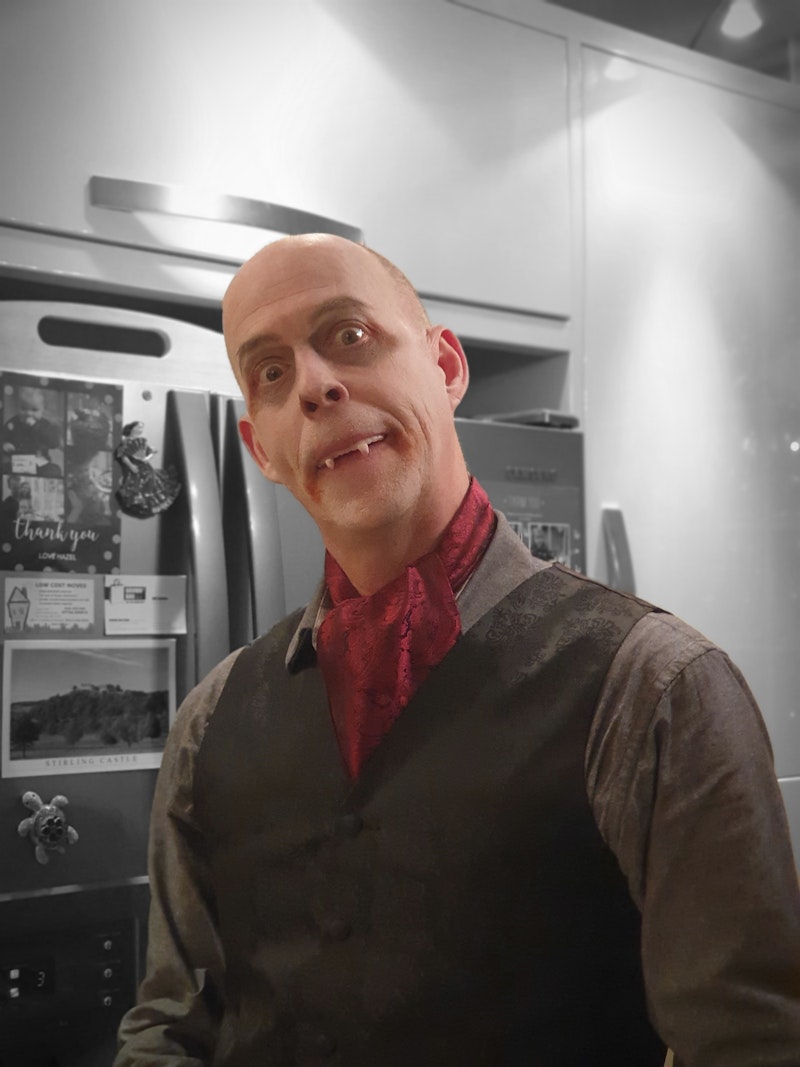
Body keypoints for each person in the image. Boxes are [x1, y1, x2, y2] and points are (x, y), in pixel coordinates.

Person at [115, 234, 800, 1067]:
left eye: (349, 335)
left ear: (444, 367)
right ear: (261, 448)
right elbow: (170, 1026)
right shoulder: (210, 722)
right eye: (270, 371)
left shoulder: (653, 688)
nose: (315, 385)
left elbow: (749, 1045)